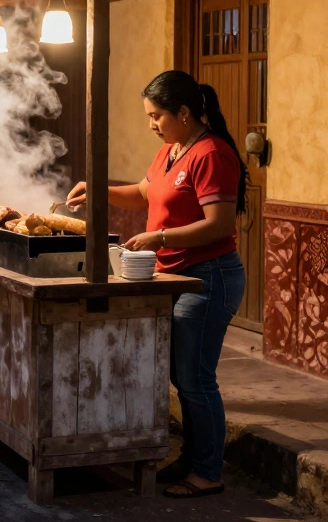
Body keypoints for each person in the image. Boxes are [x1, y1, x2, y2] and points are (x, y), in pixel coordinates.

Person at [66, 70, 246, 499]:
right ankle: (192, 458)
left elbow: (219, 224)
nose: (152, 124)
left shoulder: (211, 154)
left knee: (196, 379)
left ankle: (208, 472)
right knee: (181, 377)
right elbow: (144, 195)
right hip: (173, 278)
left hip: (207, 277)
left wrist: (159, 237)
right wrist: (98, 189)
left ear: (184, 112)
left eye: (157, 115)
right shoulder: (171, 150)